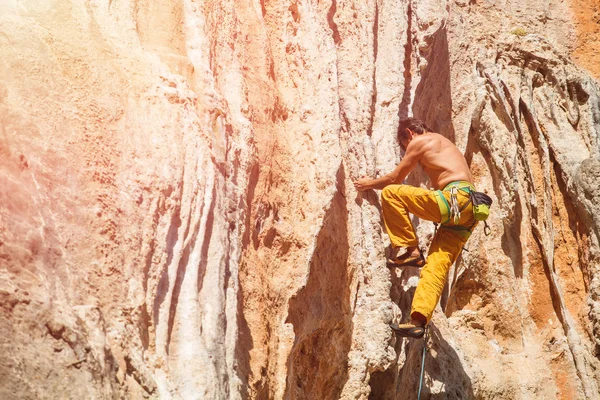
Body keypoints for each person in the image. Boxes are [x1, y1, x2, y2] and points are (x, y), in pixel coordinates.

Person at [353, 118, 479, 338]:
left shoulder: (419, 141)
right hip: (470, 211)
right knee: (436, 265)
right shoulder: (445, 145)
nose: (406, 150)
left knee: (392, 193)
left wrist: (367, 184)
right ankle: (418, 322)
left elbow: (395, 178)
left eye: (404, 145)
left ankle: (410, 250)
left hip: (454, 200)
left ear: (409, 133)